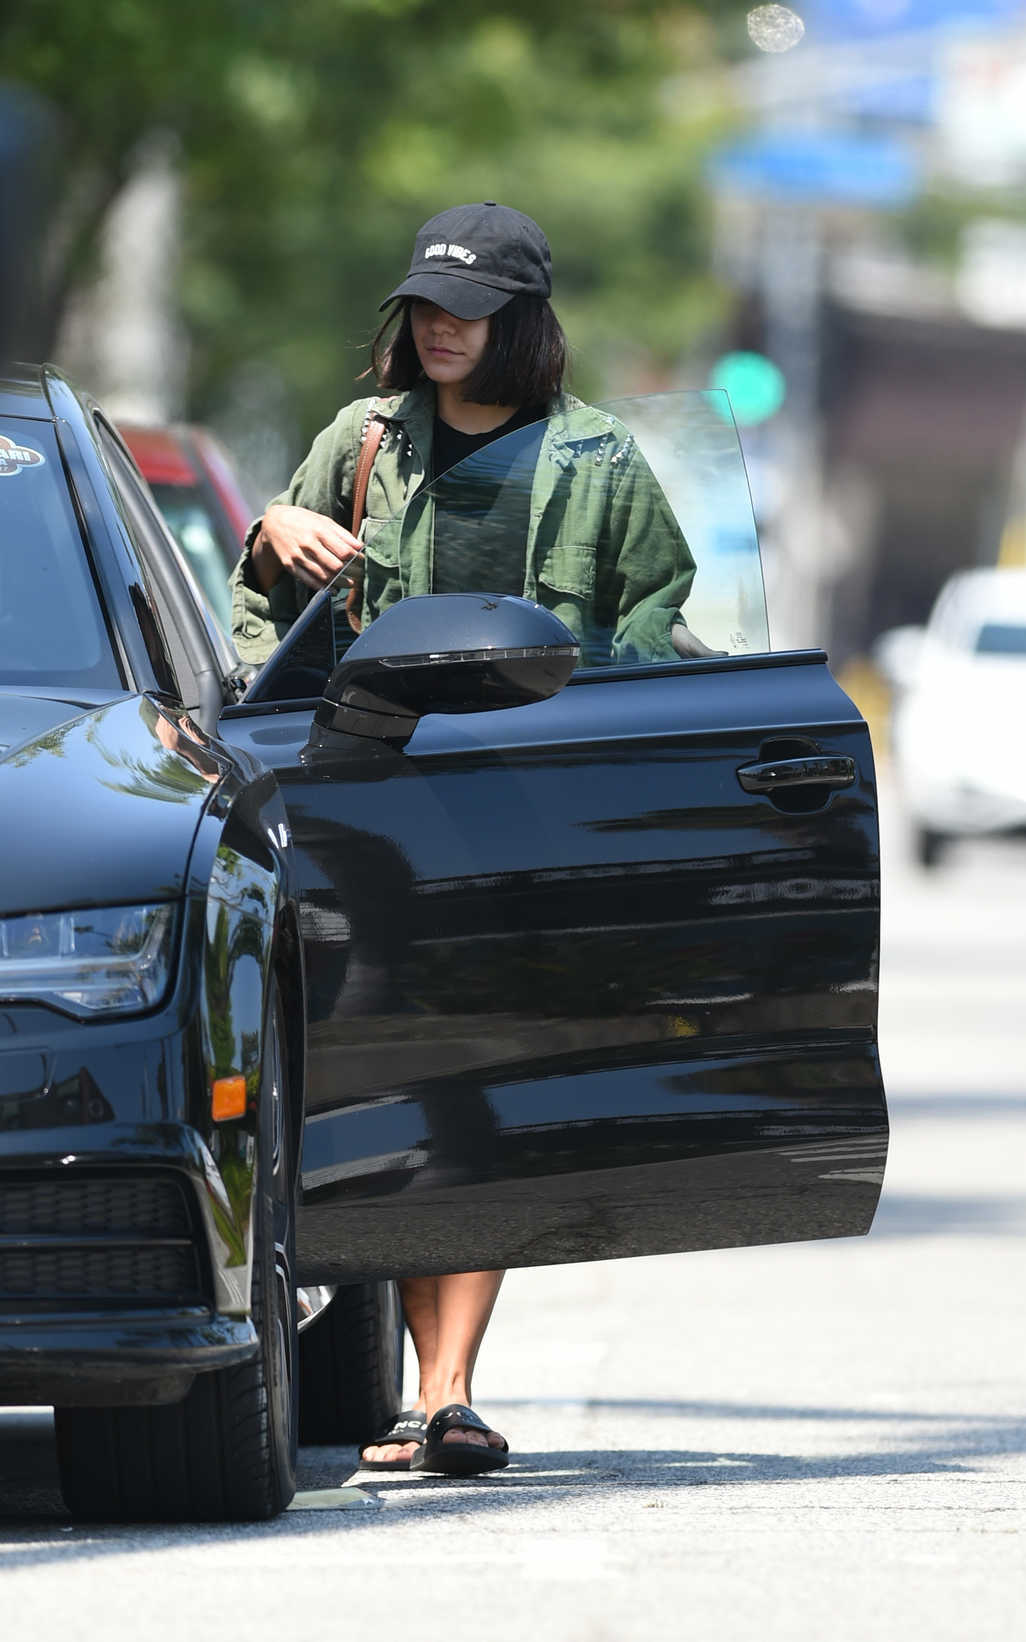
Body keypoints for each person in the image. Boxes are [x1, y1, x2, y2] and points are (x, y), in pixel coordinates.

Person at [229, 202, 699, 1474]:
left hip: (517, 804)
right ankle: (403, 1377)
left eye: (470, 310)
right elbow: (259, 613)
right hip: (362, 800)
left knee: (470, 1081)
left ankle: (446, 1393)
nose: (441, 328)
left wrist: (611, 741)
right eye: (426, 306)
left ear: (522, 325)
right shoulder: (363, 441)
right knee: (384, 1079)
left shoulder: (598, 460)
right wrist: (272, 529)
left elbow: (653, 616)